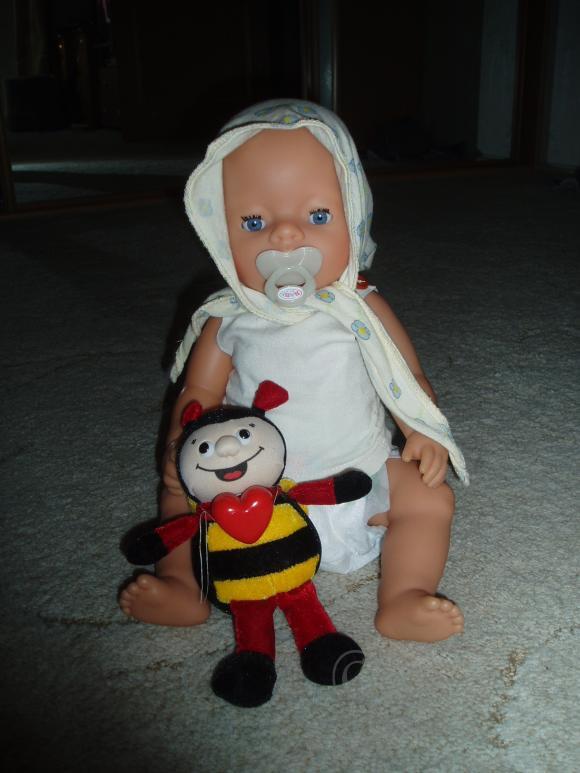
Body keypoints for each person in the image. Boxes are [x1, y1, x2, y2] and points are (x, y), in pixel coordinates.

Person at [120, 100, 468, 643]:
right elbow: (200, 390)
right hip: (245, 487)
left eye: (318, 216)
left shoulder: (360, 307)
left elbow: (407, 376)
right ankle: (182, 585)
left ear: (354, 216)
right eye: (254, 222)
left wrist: (419, 430)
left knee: (429, 498)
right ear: (221, 233)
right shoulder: (228, 316)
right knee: (179, 495)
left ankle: (404, 595)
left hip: (357, 477)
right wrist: (176, 447)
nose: (284, 235)